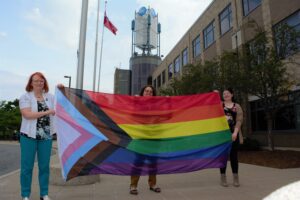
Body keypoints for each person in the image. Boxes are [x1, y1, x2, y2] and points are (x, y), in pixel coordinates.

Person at [19, 72, 55, 200]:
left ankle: (44, 194)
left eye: (41, 81)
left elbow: (62, 105)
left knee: (44, 167)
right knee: (26, 167)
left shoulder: (50, 97)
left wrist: (62, 90)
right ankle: (25, 195)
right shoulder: (25, 97)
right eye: (36, 81)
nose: (39, 83)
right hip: (28, 136)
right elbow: (27, 115)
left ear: (44, 82)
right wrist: (48, 111)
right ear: (31, 83)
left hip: (46, 137)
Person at [130, 85, 161, 195]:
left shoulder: (157, 106)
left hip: (154, 138)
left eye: (151, 92)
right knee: (138, 162)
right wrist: (136, 102)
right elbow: (132, 115)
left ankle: (153, 184)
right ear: (143, 92)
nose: (148, 93)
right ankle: (133, 185)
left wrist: (168, 102)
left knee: (153, 163)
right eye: (146, 91)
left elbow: (167, 115)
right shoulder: (138, 104)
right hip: (141, 138)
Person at [219, 88, 243, 187]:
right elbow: (210, 106)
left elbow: (239, 120)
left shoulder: (237, 106)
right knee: (223, 157)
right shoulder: (220, 105)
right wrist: (215, 95)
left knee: (233, 156)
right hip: (222, 135)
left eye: (228, 93)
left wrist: (235, 133)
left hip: (234, 134)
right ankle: (223, 178)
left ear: (232, 94)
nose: (226, 95)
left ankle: (235, 179)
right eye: (224, 94)